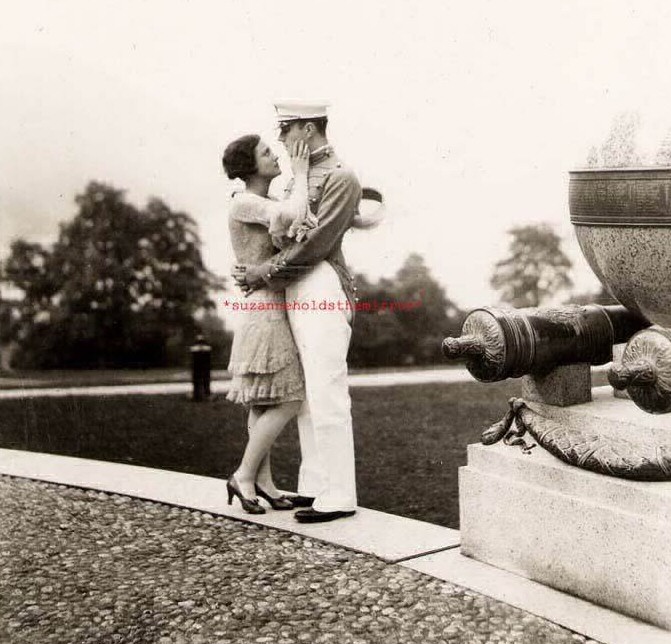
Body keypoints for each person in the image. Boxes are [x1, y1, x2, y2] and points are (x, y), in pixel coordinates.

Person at [233, 102, 362, 523]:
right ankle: (317, 485)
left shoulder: (341, 176)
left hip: (320, 282)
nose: (283, 140)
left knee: (326, 387)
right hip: (293, 287)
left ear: (307, 128)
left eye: (286, 130)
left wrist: (262, 273)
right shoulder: (296, 183)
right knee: (307, 393)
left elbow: (314, 245)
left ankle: (339, 495)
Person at [222, 134, 317, 514]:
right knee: (290, 399)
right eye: (265, 152)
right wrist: (301, 172)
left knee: (264, 401)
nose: (274, 154)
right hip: (265, 311)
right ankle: (244, 475)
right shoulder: (245, 201)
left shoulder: (259, 202)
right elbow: (287, 218)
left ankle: (264, 483)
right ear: (249, 165)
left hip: (267, 306)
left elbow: (290, 228)